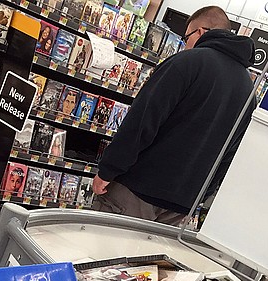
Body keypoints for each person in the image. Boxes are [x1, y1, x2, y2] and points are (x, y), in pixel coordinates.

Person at [92, 6, 256, 226]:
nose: (185, 43)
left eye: (186, 37)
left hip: (136, 190)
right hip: (181, 206)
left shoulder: (186, 63)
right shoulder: (248, 90)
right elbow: (230, 153)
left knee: (98, 252)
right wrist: (200, 196)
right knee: (143, 259)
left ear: (200, 32)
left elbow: (142, 121)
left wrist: (109, 169)